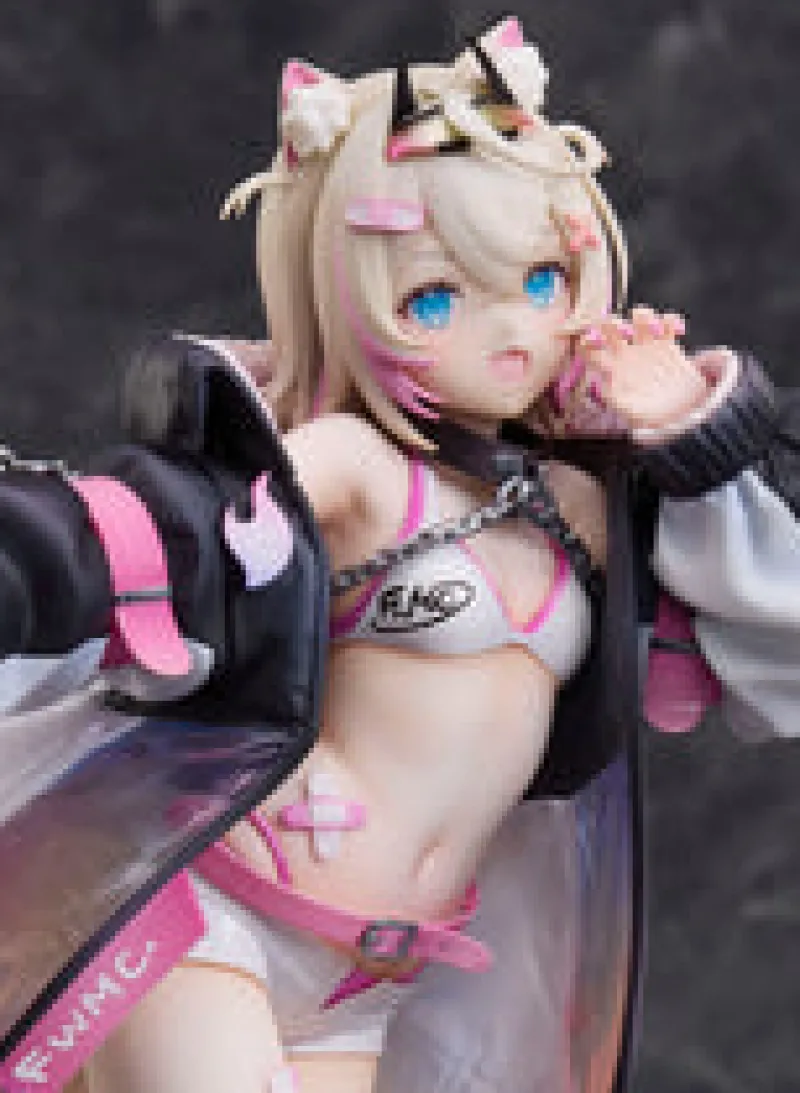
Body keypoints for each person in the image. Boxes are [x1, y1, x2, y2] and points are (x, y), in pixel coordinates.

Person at [1, 16, 798, 1093]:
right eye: (434, 298)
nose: (511, 332)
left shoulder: (590, 499)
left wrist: (692, 433)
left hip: (367, 977)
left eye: (542, 282)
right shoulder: (359, 468)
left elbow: (773, 615)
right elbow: (166, 536)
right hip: (214, 914)